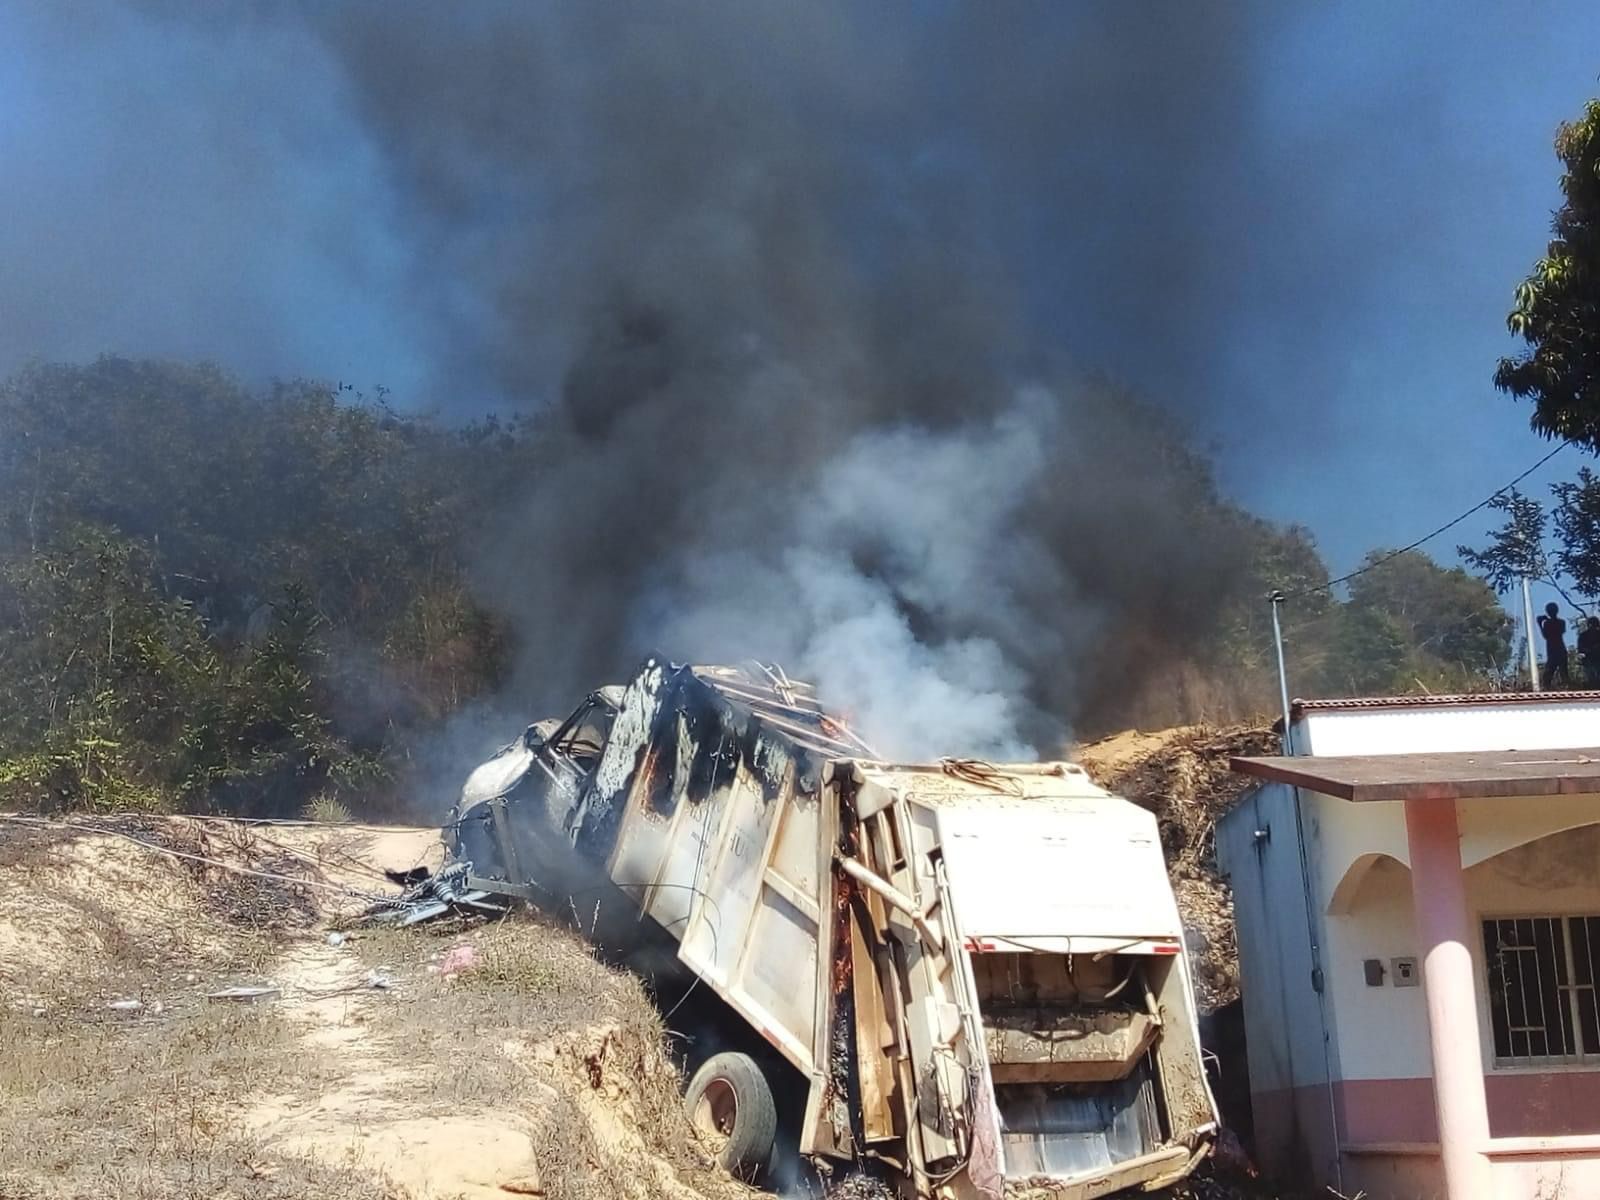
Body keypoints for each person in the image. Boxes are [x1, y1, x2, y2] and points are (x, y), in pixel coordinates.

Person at [1537, 602, 1570, 689]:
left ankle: (1562, 687)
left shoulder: (1549, 623)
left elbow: (1546, 636)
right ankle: (1564, 686)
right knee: (1561, 671)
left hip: (1554, 650)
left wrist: (1540, 624)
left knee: (1550, 673)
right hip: (1559, 649)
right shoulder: (1561, 622)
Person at [1579, 616, 1600, 689]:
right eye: (1592, 625)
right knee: (1590, 678)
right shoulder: (1583, 636)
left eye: (1595, 625)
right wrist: (1589, 650)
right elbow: (1581, 648)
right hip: (1588, 660)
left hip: (1598, 659)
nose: (1593, 627)